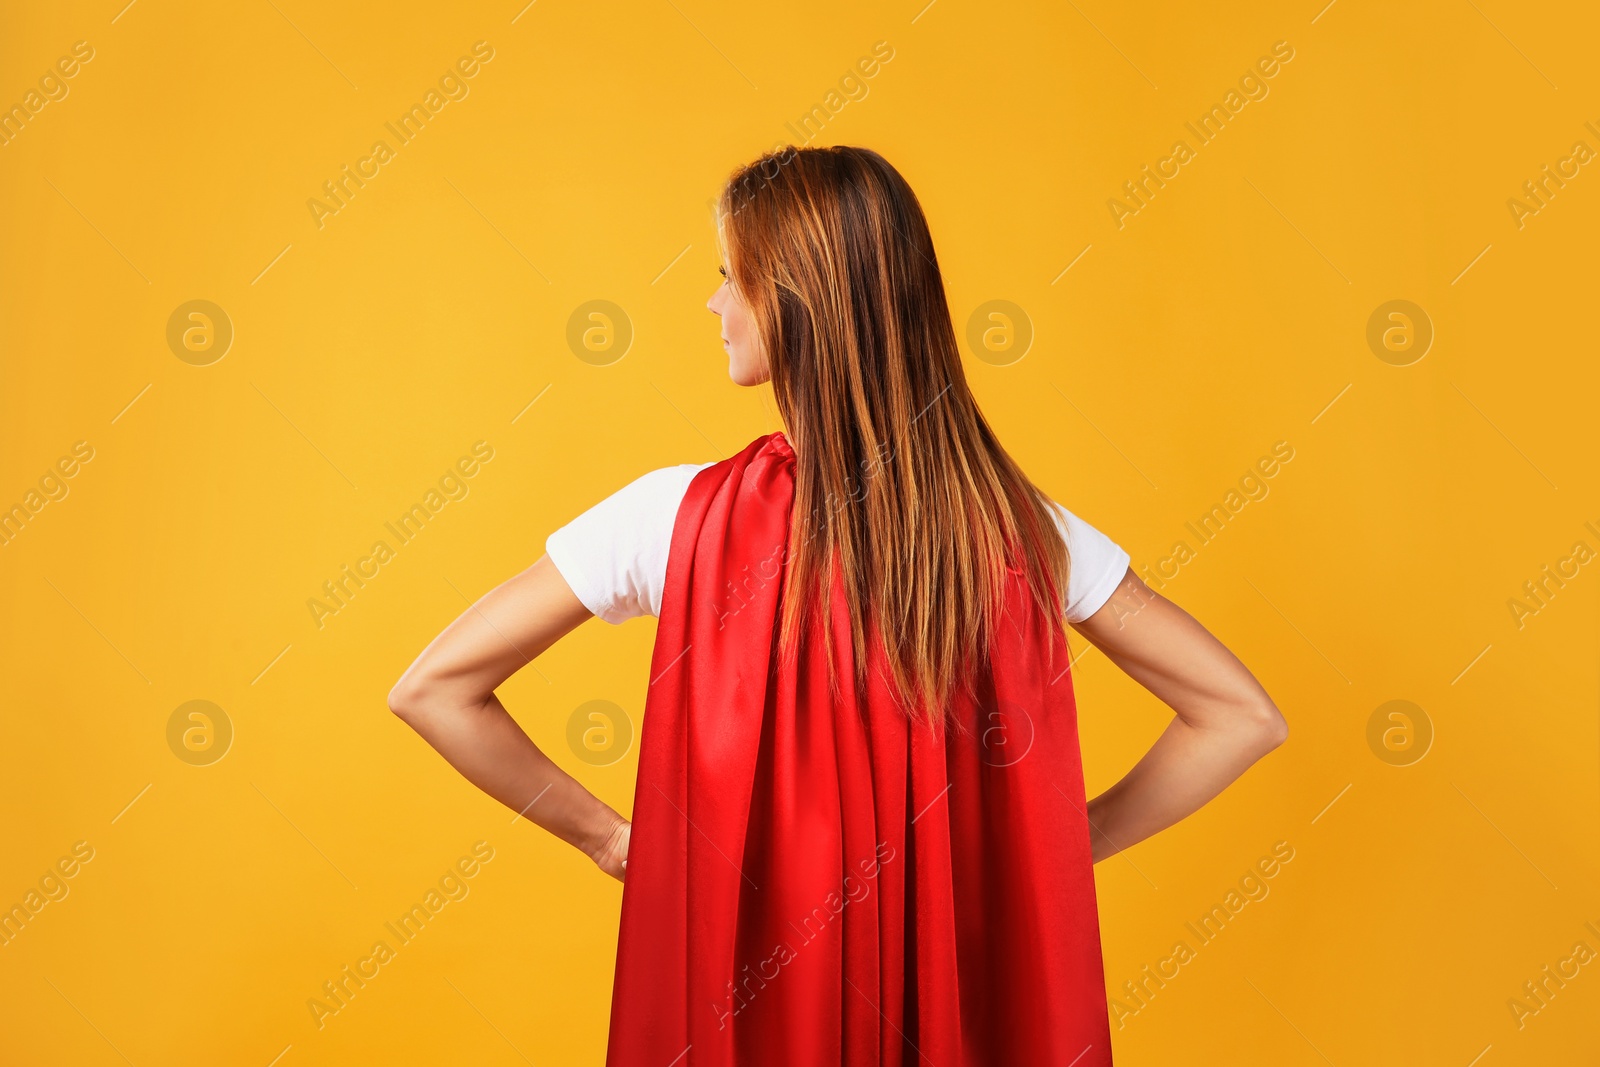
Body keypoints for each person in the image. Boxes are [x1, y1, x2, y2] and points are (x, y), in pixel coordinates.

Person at [389, 145, 1288, 1066]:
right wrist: (1053, 838)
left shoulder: (673, 519)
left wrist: (613, 840)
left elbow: (434, 688)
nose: (713, 305)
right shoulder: (1022, 533)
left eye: (729, 278)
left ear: (796, 301)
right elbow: (1239, 714)